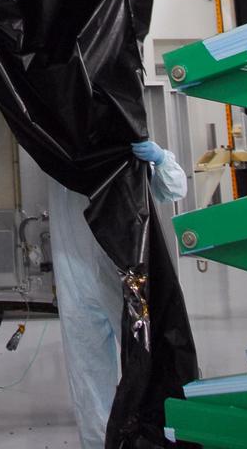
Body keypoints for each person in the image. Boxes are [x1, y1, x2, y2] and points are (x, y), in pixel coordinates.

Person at [48, 141, 188, 449]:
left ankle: (153, 438)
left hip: (126, 273)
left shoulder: (124, 146)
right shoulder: (56, 152)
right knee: (87, 378)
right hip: (76, 275)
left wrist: (160, 159)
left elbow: (174, 187)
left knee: (147, 365)